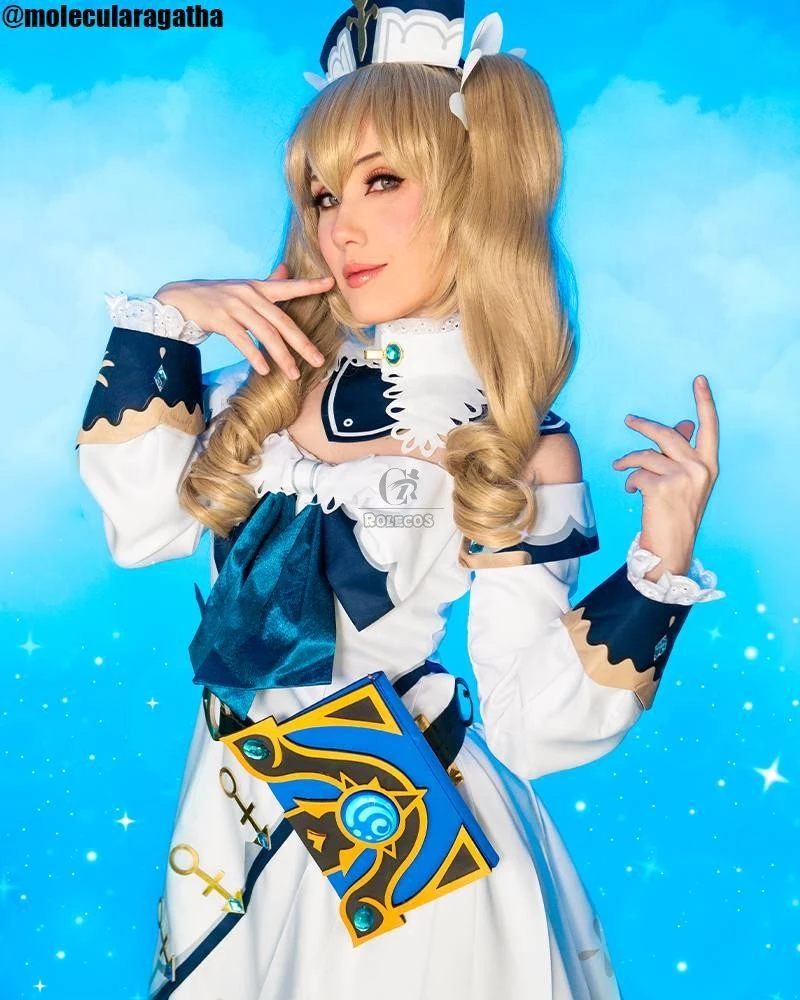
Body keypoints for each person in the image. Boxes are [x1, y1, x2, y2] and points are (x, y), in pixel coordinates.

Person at [75, 3, 725, 997]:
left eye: (383, 181)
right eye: (323, 192)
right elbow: (140, 528)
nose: (341, 225)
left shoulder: (513, 436)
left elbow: (532, 725)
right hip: (230, 808)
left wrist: (659, 564)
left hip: (400, 845)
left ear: (471, 187)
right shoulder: (261, 389)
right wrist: (165, 322)